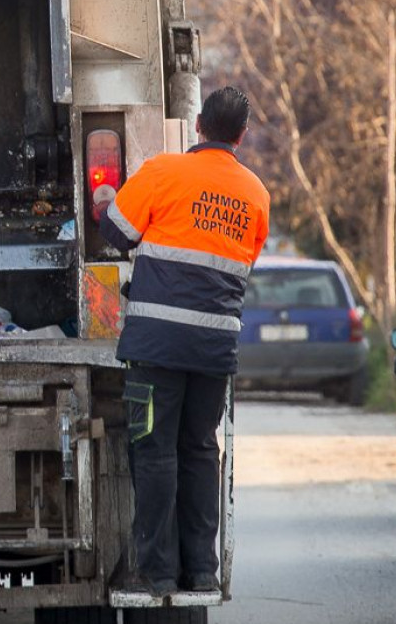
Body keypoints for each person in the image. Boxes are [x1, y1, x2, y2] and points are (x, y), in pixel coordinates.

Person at [96, 87, 270, 597]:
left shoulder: (162, 172)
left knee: (153, 453)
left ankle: (159, 572)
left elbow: (116, 233)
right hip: (214, 351)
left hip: (156, 348)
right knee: (199, 450)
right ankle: (202, 571)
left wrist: (107, 201)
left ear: (198, 125)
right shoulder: (256, 194)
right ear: (241, 136)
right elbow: (240, 264)